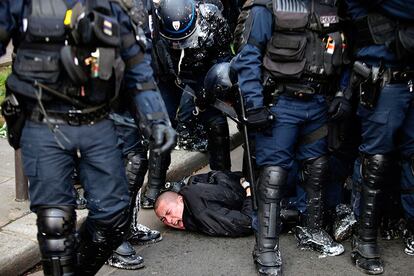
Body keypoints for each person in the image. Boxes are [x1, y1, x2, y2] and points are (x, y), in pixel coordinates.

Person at [0, 0, 176, 275]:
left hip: (97, 122)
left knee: (114, 217)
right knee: (55, 224)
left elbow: (137, 67)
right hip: (44, 122)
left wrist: (155, 118)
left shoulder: (112, 5)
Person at [231, 0, 350, 274]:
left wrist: (342, 93)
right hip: (281, 102)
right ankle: (266, 246)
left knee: (317, 168)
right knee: (273, 175)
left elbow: (343, 51)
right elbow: (247, 55)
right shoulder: (266, 5)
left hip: (319, 102)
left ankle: (312, 229)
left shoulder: (328, 5)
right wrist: (254, 103)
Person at [140, 0, 233, 208]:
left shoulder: (211, 17)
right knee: (161, 125)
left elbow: (223, 57)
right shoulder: (152, 22)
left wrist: (209, 88)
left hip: (203, 72)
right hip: (168, 76)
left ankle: (224, 180)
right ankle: (155, 185)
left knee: (215, 121)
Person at [344, 0, 414, 274]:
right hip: (382, 79)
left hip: (408, 77)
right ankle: (364, 239)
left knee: (412, 157)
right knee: (374, 160)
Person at [154, 171, 254, 237]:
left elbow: (247, 222)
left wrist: (249, 192)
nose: (170, 220)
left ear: (180, 199)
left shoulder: (202, 212)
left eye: (168, 212)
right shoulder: (193, 185)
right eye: (164, 219)